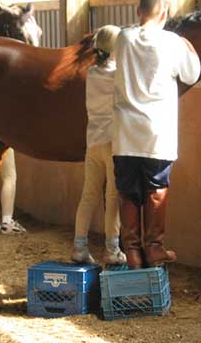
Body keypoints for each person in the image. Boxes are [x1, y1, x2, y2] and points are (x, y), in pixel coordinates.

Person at [113, 0, 201, 269]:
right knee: (156, 188)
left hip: (125, 133)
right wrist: (188, 46)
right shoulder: (173, 42)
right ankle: (154, 248)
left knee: (128, 192)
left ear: (138, 11)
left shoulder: (123, 38)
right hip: (157, 134)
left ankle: (133, 253)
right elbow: (192, 73)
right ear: (165, 13)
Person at [71, 25, 126, 265]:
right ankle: (112, 249)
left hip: (93, 142)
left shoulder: (92, 72)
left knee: (88, 195)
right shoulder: (119, 75)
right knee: (112, 196)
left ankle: (79, 247)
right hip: (113, 142)